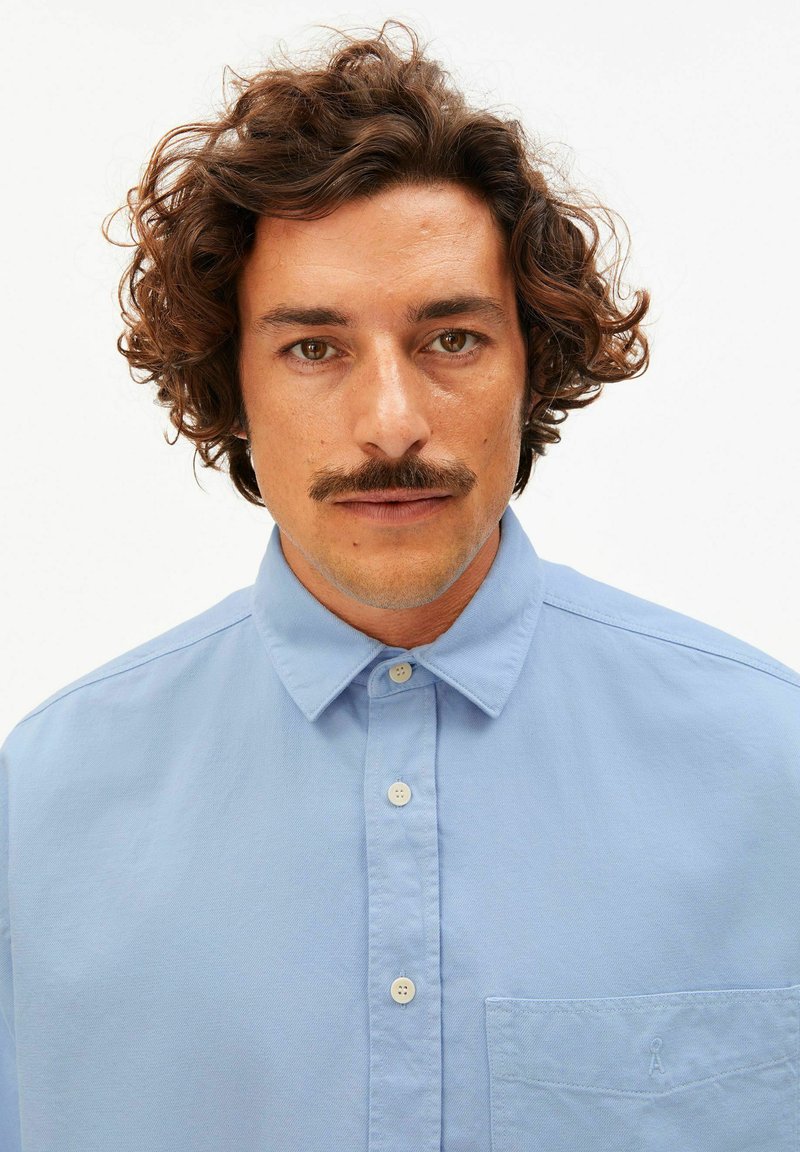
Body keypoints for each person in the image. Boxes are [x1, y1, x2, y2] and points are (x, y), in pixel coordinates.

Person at [1, 21, 798, 1152]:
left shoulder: (773, 770)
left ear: (533, 364)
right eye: (313, 348)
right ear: (229, 384)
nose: (389, 423)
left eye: (451, 339)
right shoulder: (37, 811)